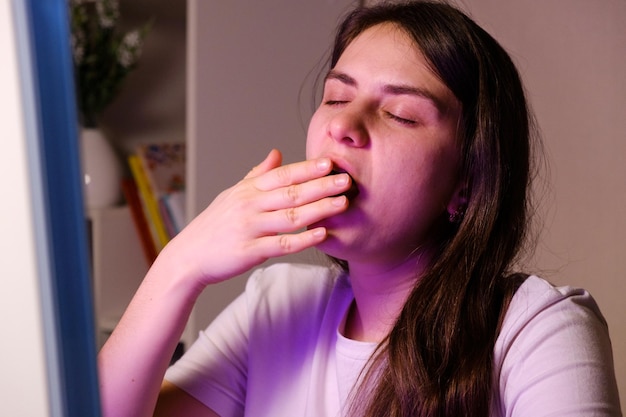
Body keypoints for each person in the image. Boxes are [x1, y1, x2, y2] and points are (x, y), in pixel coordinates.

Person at [98, 1, 622, 416]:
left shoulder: (537, 329)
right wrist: (180, 265)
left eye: (399, 113)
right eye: (334, 97)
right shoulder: (276, 305)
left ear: (467, 182)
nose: (344, 125)